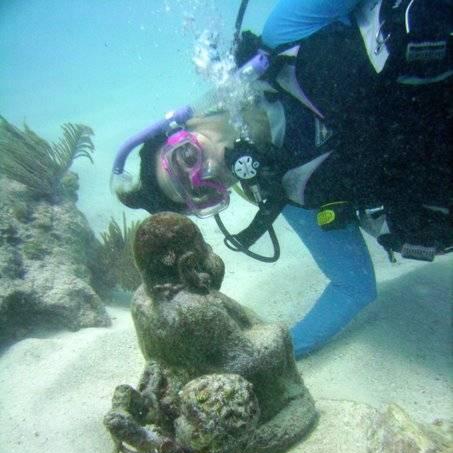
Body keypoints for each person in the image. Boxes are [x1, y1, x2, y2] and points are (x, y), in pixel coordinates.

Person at [111, 0, 452, 358]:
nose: (208, 173)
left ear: (187, 125)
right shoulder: (290, 196)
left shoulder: (287, 34)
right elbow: (353, 288)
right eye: (199, 192)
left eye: (187, 157)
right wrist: (269, 355)